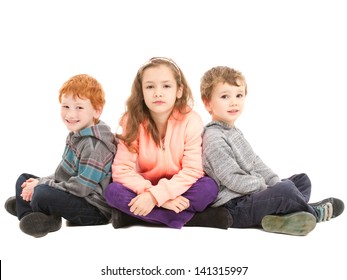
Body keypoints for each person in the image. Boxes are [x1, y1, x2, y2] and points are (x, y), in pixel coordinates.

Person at [200, 66, 344, 236]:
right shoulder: (214, 137)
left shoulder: (233, 131)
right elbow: (232, 179)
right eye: (225, 96)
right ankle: (313, 213)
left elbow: (255, 161)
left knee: (301, 180)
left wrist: (273, 181)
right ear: (207, 103)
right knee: (286, 191)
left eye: (239, 95)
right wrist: (264, 186)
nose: (234, 102)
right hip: (235, 206)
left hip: (250, 194)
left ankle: (282, 219)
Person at [104, 57, 232, 229]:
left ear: (179, 90)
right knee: (113, 192)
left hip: (180, 187)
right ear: (141, 91)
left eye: (166, 86)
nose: (158, 92)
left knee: (209, 187)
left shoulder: (191, 120)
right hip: (144, 187)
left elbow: (193, 170)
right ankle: (194, 219)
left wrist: (157, 196)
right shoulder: (131, 120)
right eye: (150, 87)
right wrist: (154, 195)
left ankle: (136, 217)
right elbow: (121, 170)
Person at [4, 74, 116, 237]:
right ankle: (33, 216)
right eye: (66, 107)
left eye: (79, 107)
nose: (70, 115)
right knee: (24, 179)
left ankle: (35, 211)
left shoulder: (95, 145)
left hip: (94, 210)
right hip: (77, 196)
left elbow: (81, 188)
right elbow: (62, 175)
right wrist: (37, 182)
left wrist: (41, 185)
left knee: (41, 193)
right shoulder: (76, 135)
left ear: (97, 111)